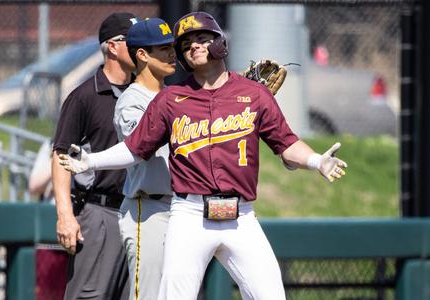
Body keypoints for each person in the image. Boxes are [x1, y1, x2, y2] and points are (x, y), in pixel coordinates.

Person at [58, 11, 347, 300]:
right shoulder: (170, 99)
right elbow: (135, 148)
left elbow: (287, 144)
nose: (193, 46)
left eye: (201, 38)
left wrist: (317, 161)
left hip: (241, 216)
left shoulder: (254, 94)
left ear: (220, 42)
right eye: (185, 44)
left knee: (271, 295)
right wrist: (92, 160)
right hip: (190, 215)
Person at [51, 12, 138, 300]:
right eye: (133, 40)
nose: (142, 47)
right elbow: (61, 154)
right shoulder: (85, 96)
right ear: (112, 46)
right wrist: (65, 215)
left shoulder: (149, 94)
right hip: (100, 212)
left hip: (141, 213)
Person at [114, 18, 175, 299]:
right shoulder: (131, 100)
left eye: (172, 46)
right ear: (142, 55)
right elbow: (143, 144)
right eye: (163, 48)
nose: (172, 53)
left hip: (181, 211)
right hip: (147, 211)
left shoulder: (175, 97)